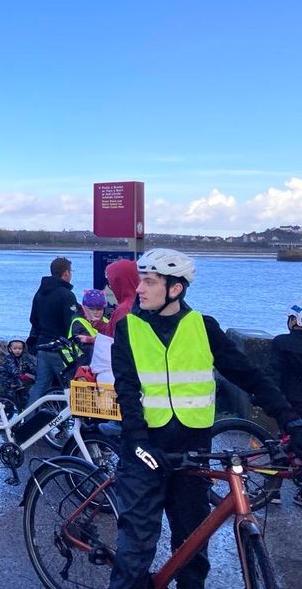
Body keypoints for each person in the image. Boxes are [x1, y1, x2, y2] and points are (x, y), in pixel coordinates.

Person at [108, 248, 302, 589]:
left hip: (192, 452)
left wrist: (290, 420)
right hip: (146, 451)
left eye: (149, 282)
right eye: (141, 281)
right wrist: (138, 444)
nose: (140, 289)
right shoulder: (129, 329)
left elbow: (250, 376)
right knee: (134, 556)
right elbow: (127, 393)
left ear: (175, 288)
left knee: (193, 551)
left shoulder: (203, 327)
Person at [26, 256, 79, 406]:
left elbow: (33, 319)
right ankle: (77, 422)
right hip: (61, 348)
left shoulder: (40, 293)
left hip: (42, 346)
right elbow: (72, 322)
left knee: (40, 386)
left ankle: (28, 420)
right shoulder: (67, 295)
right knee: (70, 386)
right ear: (66, 273)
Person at [271, 303, 302, 507]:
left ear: (294, 321)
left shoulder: (281, 342)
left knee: (282, 443)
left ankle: (273, 490)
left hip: (289, 402)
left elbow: (274, 372)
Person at [70, 289, 110, 365]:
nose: (95, 312)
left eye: (99, 309)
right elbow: (86, 349)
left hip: (102, 364)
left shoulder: (107, 321)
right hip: (82, 365)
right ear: (84, 309)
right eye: (91, 309)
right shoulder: (78, 322)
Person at [106, 258, 140, 338]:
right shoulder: (141, 303)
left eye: (111, 282)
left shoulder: (124, 309)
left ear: (118, 283)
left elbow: (118, 341)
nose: (110, 287)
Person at [1, 339, 36, 407]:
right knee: (9, 399)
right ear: (10, 349)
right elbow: (13, 371)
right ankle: (7, 409)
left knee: (23, 396)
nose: (17, 350)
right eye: (15, 348)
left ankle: (23, 408)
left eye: (20, 348)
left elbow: (30, 367)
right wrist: (23, 375)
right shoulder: (9, 358)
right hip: (9, 382)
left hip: (19, 382)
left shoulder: (23, 358)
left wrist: (35, 372)